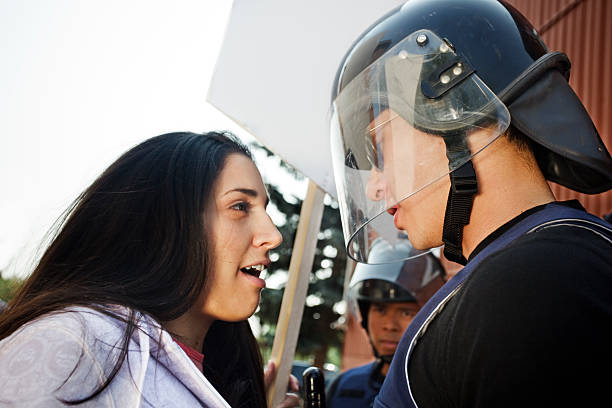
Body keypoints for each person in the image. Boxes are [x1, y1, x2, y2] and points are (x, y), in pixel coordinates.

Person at [329, 0, 612, 407]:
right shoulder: (542, 265)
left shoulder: (523, 288)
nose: (374, 188)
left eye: (380, 151)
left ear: (458, 115)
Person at [0, 131, 298, 407]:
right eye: (239, 207)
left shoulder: (225, 373)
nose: (273, 236)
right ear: (166, 223)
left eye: (264, 210)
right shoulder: (74, 341)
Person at [326, 241, 445, 408]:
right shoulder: (344, 386)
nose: (390, 325)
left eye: (406, 312)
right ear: (365, 316)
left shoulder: (443, 393)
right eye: (380, 310)